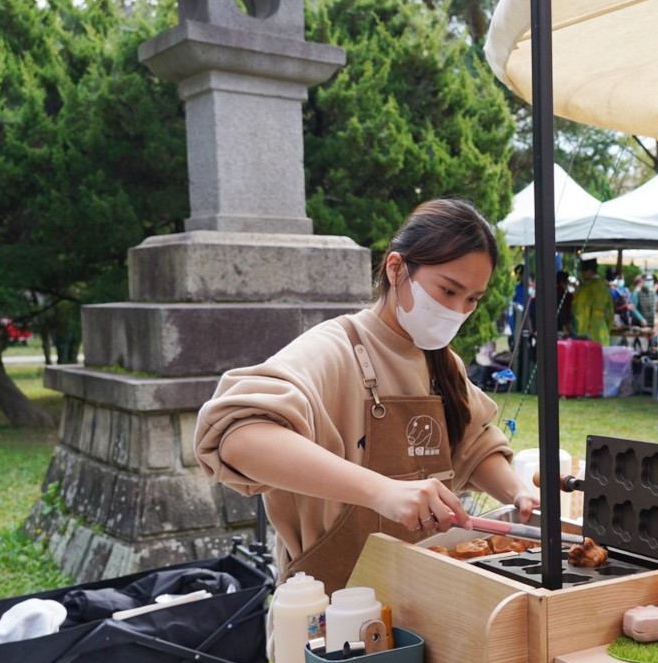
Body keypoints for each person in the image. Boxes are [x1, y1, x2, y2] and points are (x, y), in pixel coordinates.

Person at [194, 198, 535, 593]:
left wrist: (516, 491)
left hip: (425, 599)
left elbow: (473, 445)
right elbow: (238, 439)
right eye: (448, 291)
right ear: (396, 269)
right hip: (330, 612)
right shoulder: (333, 349)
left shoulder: (444, 364)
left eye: (472, 299)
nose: (458, 310)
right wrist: (382, 491)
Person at [571, 258, 614, 345]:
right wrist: (608, 326)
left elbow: (581, 309)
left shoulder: (586, 288)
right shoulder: (604, 285)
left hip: (589, 329)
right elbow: (610, 310)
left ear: (589, 271)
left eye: (583, 271)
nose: (582, 274)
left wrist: (581, 331)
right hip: (603, 328)